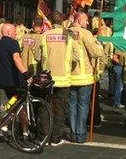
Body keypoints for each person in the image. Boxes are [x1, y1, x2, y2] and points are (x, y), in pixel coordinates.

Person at [34, 11, 78, 146]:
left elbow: (37, 57)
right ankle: (56, 138)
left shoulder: (44, 35)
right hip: (64, 78)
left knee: (44, 107)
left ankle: (43, 137)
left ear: (51, 22)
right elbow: (76, 57)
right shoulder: (69, 36)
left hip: (47, 79)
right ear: (62, 21)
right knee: (60, 109)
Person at [0, 23, 33, 137]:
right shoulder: (13, 43)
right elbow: (16, 58)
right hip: (14, 81)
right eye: (15, 31)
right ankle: (10, 125)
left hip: (2, 81)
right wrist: (25, 73)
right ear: (9, 32)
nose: (16, 33)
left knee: (16, 103)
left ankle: (22, 130)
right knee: (19, 103)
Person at [69, 12, 104, 143]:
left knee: (72, 105)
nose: (88, 22)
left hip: (70, 76)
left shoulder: (65, 32)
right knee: (83, 105)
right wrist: (99, 45)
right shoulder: (86, 33)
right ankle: (80, 133)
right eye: (85, 20)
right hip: (84, 76)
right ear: (78, 20)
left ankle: (73, 133)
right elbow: (96, 53)